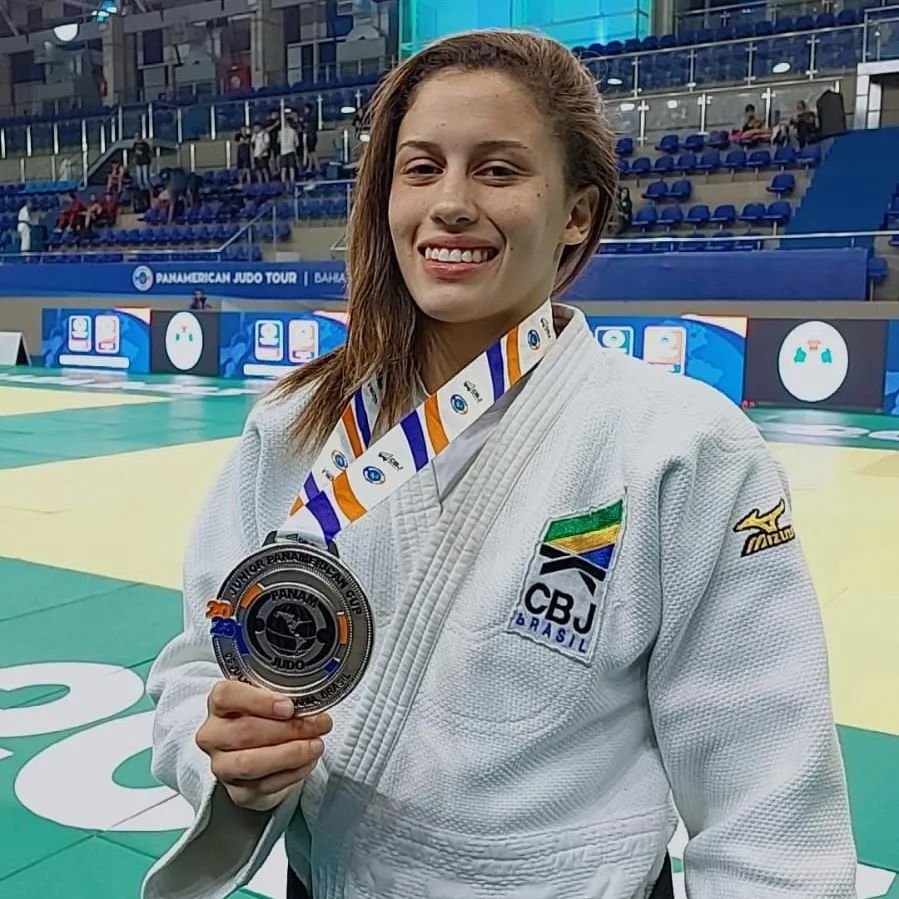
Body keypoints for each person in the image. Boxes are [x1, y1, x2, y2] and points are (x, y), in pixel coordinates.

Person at [142, 29, 857, 899]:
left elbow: (767, 805)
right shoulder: (297, 425)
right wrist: (224, 755)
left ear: (577, 214)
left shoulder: (681, 446)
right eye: (420, 167)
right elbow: (201, 661)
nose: (449, 203)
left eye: (497, 169)